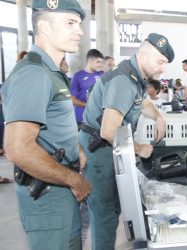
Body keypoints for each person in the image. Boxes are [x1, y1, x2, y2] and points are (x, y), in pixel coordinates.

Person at [1, 1, 91, 249]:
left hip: (60, 191)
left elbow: (52, 125)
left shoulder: (51, 72)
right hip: (49, 197)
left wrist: (76, 149)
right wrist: (73, 179)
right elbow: (19, 149)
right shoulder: (34, 73)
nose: (80, 31)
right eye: (70, 23)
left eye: (79, 24)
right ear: (44, 27)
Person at [79, 33, 172, 250]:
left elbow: (142, 104)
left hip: (113, 150)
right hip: (100, 153)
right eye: (160, 62)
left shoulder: (135, 76)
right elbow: (108, 130)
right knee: (105, 216)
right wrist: (139, 149)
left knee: (114, 209)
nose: (163, 68)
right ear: (144, 54)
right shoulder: (123, 80)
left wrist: (159, 116)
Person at [70, 49, 104, 125]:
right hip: (81, 119)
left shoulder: (102, 74)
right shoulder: (78, 76)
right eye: (98, 62)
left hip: (98, 119)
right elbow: (72, 99)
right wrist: (88, 105)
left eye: (101, 62)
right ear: (90, 61)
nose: (100, 65)